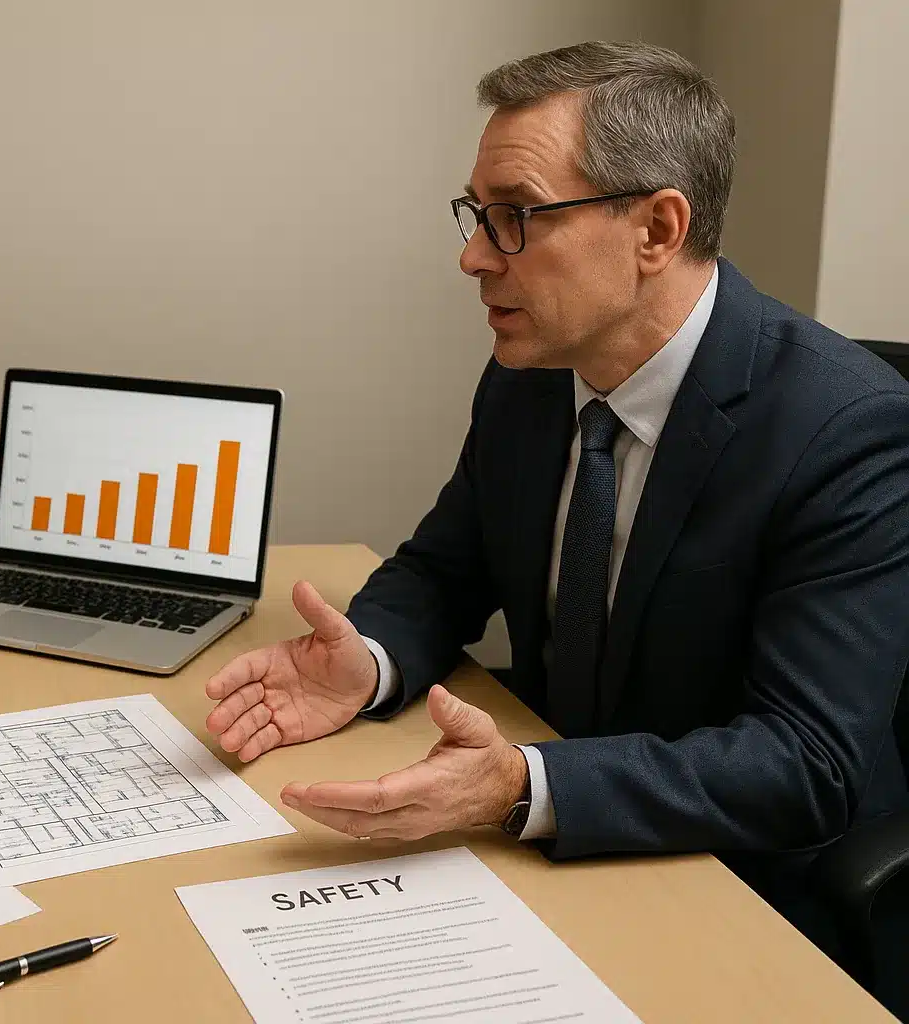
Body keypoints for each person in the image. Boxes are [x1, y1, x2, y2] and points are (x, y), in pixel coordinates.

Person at [204, 40, 909, 944]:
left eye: (517, 216)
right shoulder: (533, 375)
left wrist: (523, 787)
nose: (474, 257)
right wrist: (369, 661)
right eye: (477, 214)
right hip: (551, 849)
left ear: (656, 230)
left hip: (752, 887)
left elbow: (806, 763)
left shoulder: (848, 431)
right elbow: (444, 569)